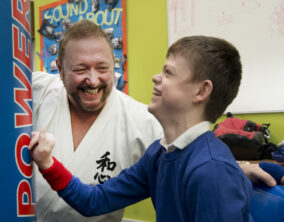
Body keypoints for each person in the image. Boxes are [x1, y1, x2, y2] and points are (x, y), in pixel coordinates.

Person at [32, 19, 284, 222]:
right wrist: (47, 163)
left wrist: (233, 168)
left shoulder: (211, 170)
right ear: (60, 68)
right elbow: (93, 201)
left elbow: (212, 169)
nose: (155, 77)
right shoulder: (160, 154)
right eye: (79, 69)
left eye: (168, 73)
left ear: (200, 91)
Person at [32, 19, 162, 222]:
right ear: (59, 68)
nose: (93, 80)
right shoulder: (36, 91)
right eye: (80, 69)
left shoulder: (143, 123)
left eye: (102, 68)